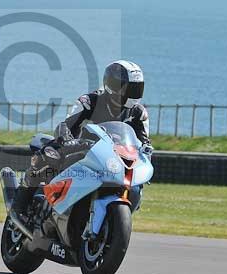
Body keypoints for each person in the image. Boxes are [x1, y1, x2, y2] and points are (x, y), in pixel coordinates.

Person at [10, 60, 152, 230]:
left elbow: (144, 143)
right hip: (79, 149)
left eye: (137, 88)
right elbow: (66, 125)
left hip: (112, 158)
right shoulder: (90, 101)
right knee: (48, 154)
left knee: (135, 184)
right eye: (129, 88)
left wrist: (146, 155)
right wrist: (68, 140)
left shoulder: (138, 112)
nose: (133, 93)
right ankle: (19, 206)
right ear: (113, 85)